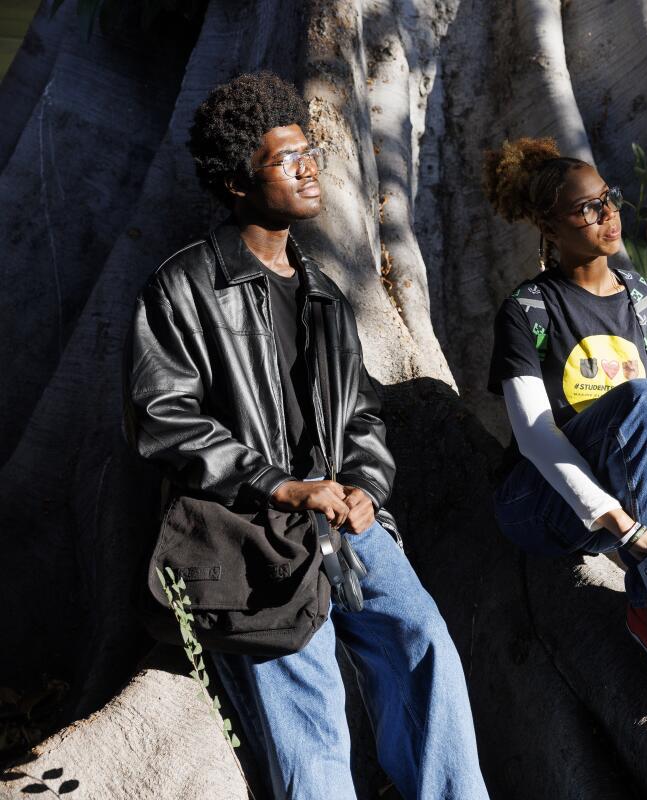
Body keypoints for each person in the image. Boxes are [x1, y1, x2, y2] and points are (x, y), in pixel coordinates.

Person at [123, 71, 489, 800]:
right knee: (310, 707)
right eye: (285, 160)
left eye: (309, 152)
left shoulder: (321, 289)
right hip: (249, 531)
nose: (309, 167)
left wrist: (366, 489)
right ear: (237, 182)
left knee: (424, 643)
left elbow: (360, 414)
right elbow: (162, 416)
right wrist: (280, 485)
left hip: (344, 520)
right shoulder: (184, 286)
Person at [482, 137, 647, 685]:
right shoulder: (529, 310)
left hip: (637, 503)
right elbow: (535, 437)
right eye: (588, 209)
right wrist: (629, 532)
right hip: (544, 502)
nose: (609, 215)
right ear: (550, 228)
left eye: (610, 198)